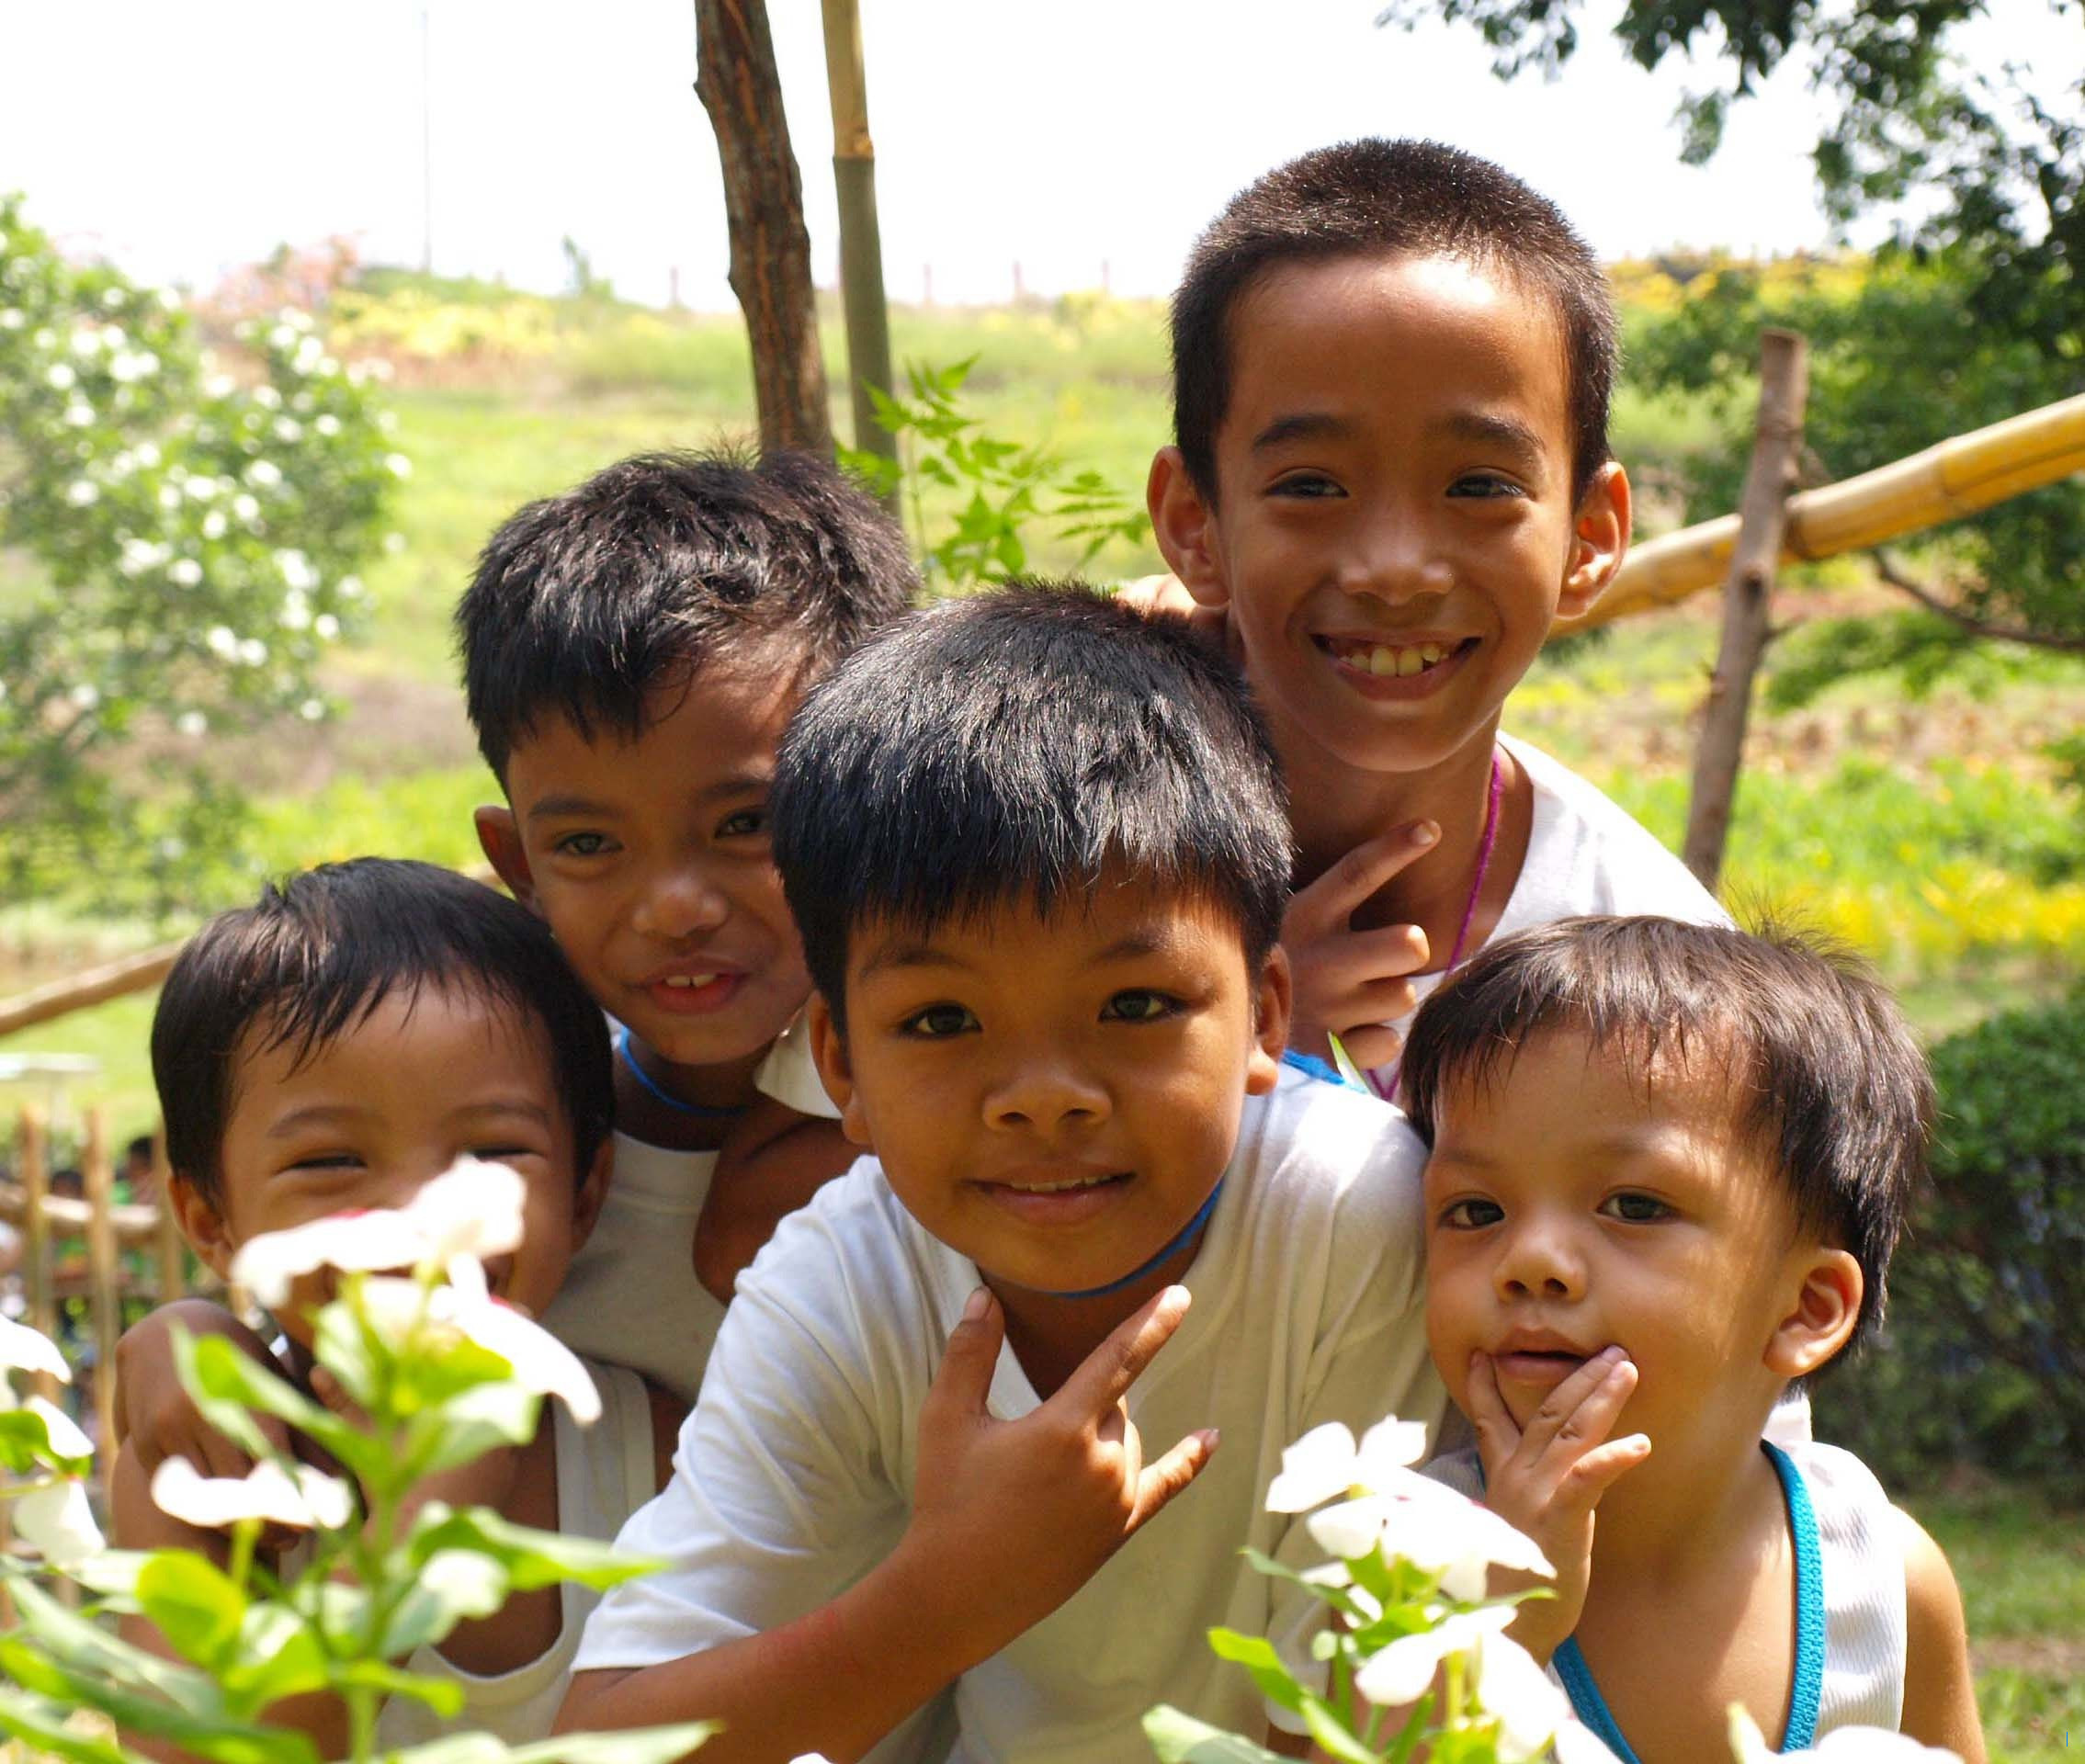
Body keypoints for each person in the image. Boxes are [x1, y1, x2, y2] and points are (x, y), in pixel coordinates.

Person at [558, 584, 1443, 1762]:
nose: (1043, 1094)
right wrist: (943, 1602)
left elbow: (1355, 1719)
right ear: (842, 1069)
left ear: (1264, 1017)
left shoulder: (1356, 1219)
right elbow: (600, 1739)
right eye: (940, 1021)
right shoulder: (846, 1277)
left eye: (1134, 1005)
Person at [112, 450, 916, 1484]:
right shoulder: (502, 1164)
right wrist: (196, 1338)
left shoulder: (954, 1133)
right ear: (517, 865)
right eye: (589, 845)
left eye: (746, 822)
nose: (672, 905)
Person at [1144, 138, 1729, 1094]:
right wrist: (1226, 1017)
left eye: (1479, 485)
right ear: (1193, 523)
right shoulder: (1035, 858)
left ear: (1589, 535)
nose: (1395, 570)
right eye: (1309, 485)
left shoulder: (1667, 998)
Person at [113, 858, 678, 1749]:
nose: (420, 1219)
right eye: (329, 1162)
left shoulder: (661, 1456)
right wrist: (430, 1506)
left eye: (492, 1150)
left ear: (583, 1194)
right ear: (210, 1220)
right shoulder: (206, 1476)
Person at [1396, 916, 1983, 1761]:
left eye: (1633, 1207)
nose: (1528, 1260)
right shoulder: (1396, 1565)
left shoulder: (1883, 1582)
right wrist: (1495, 1635)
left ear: (1806, 1308)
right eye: (1475, 1211)